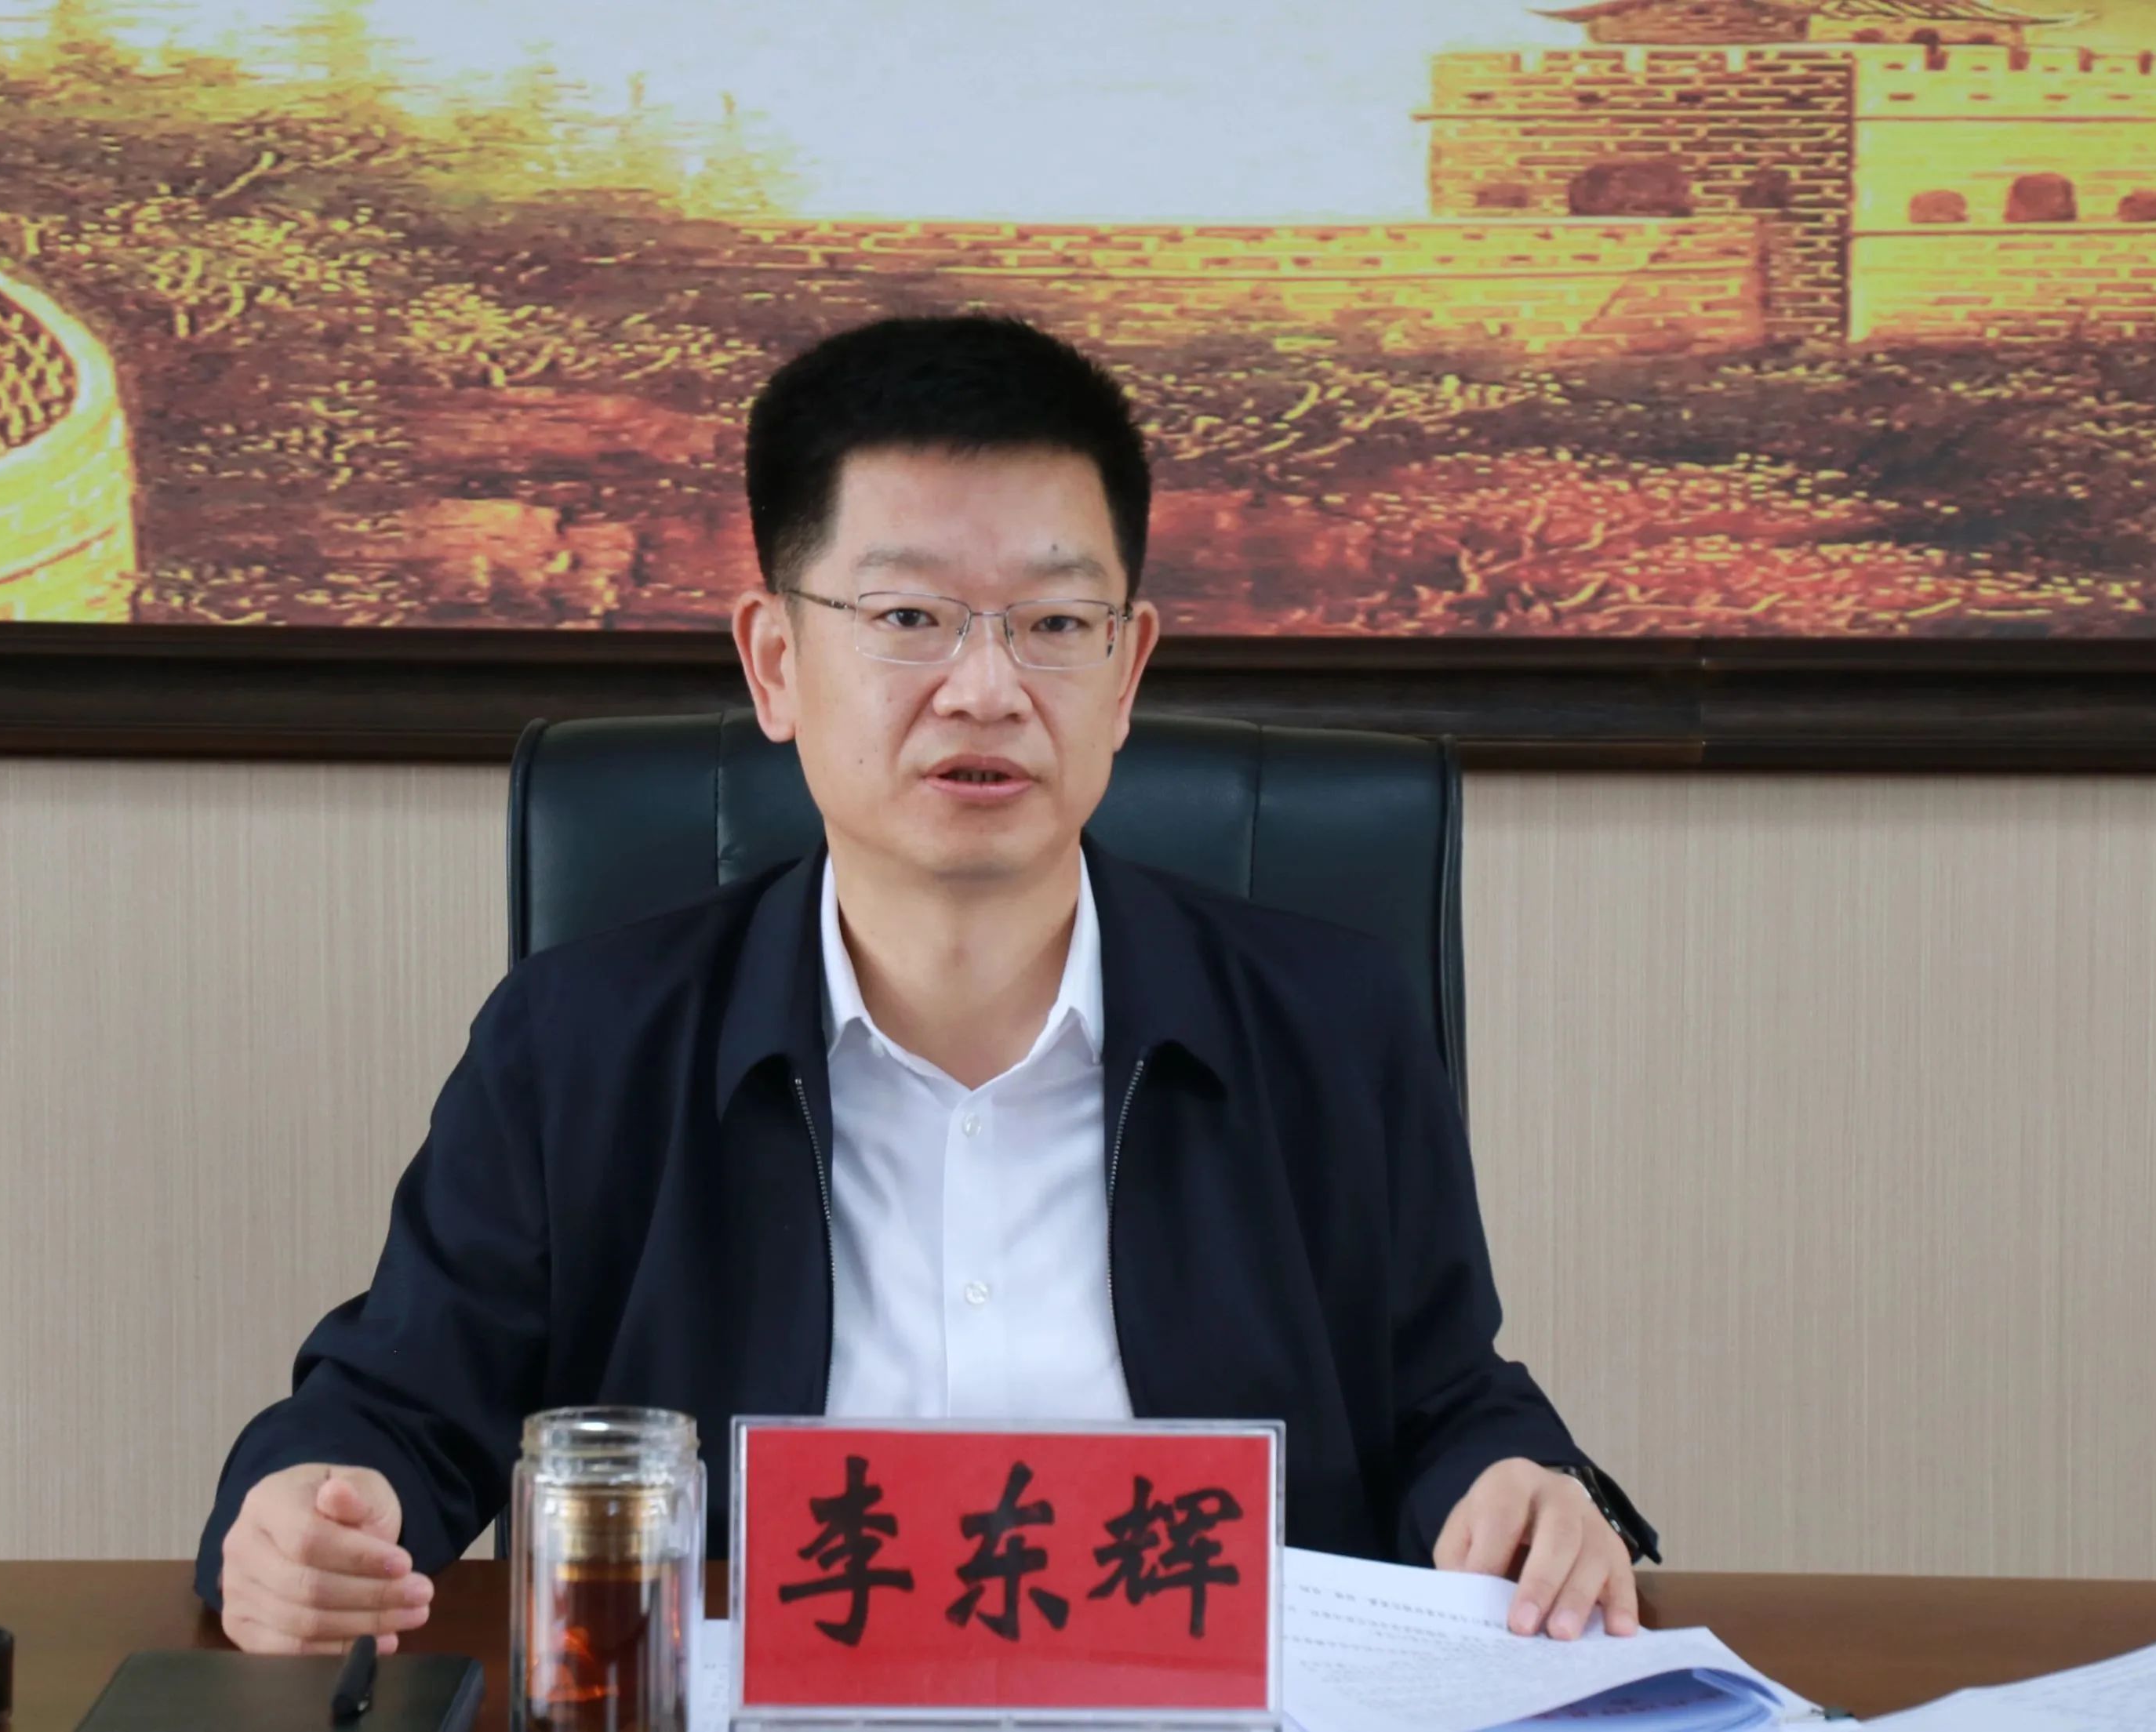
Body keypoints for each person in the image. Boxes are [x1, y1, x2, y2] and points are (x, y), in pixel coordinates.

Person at [198, 314, 1655, 1658]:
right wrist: (302, 1520)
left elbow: (1444, 1402)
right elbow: (389, 1411)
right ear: (776, 662)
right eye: (909, 618)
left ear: (1128, 668)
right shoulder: (582, 1043)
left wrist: (1520, 1485)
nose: (985, 688)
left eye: (1055, 623)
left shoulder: (1330, 1025)